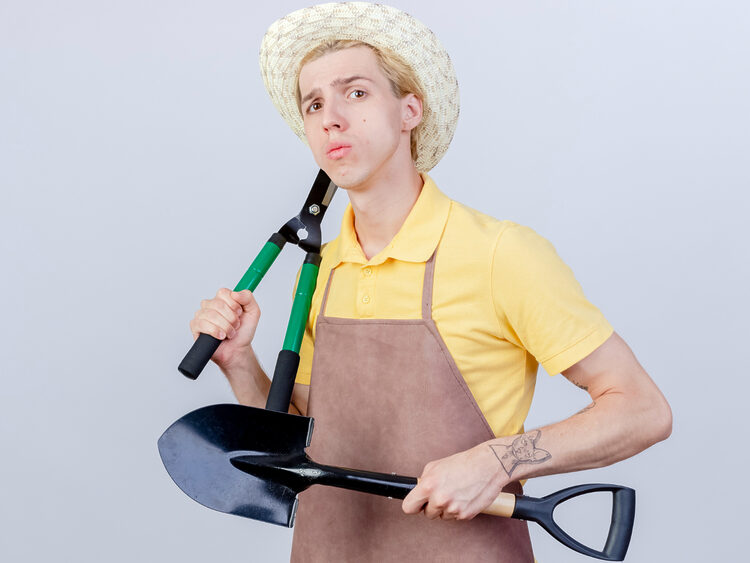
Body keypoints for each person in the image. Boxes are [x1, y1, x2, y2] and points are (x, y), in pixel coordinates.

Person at [189, 3, 672, 561]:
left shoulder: (500, 254)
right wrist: (239, 363)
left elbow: (641, 409)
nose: (331, 118)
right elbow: (305, 446)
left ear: (410, 110)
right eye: (314, 104)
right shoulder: (324, 268)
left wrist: (498, 461)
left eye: (356, 93)